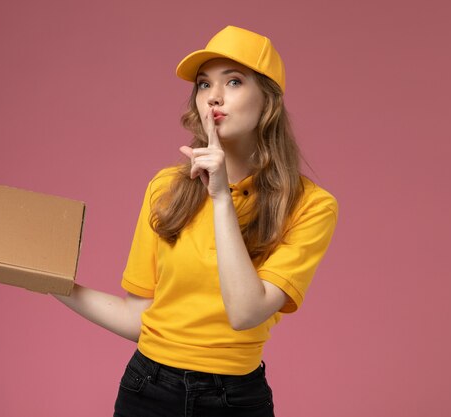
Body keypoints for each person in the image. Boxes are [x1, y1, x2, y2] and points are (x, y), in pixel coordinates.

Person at [54, 25, 338, 417]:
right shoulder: (166, 188)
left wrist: (221, 196)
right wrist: (46, 282)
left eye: (234, 82)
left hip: (235, 399)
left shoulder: (311, 206)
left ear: (268, 102)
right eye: (204, 85)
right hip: (146, 389)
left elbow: (244, 313)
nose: (214, 97)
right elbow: (139, 319)